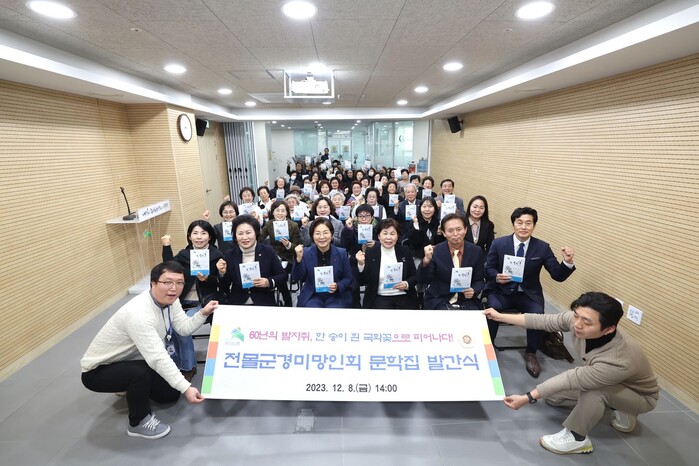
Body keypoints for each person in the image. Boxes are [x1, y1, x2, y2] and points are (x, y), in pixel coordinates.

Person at [483, 292, 658, 455]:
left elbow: (573, 378)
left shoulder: (618, 359)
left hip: (639, 395)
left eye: (587, 322)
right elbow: (542, 321)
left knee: (594, 390)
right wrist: (499, 316)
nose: (577, 325)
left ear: (609, 329)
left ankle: (578, 438)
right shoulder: (578, 320)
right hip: (610, 380)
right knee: (553, 397)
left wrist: (527, 397)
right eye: (576, 315)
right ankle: (613, 405)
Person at [81, 261, 218, 439]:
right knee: (140, 374)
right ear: (153, 283)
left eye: (179, 282)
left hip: (132, 359)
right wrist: (186, 388)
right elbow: (157, 358)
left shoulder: (171, 301)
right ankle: (138, 422)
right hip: (98, 370)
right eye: (167, 282)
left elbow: (183, 328)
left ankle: (128, 384)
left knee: (170, 395)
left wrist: (203, 313)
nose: (174, 288)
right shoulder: (139, 314)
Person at [484, 207, 576, 378]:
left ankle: (531, 352)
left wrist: (567, 262)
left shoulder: (542, 247)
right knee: (492, 309)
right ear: (513, 224)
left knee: (537, 313)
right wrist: (496, 276)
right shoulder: (499, 243)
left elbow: (557, 275)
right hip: (501, 291)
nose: (523, 227)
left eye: (528, 223)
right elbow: (489, 268)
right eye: (519, 222)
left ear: (534, 226)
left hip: (528, 293)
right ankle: (487, 348)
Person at [161, 220, 224, 379]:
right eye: (195, 233)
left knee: (182, 327)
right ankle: (177, 362)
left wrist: (208, 278)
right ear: (189, 236)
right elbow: (167, 269)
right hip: (181, 302)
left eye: (203, 233)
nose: (199, 237)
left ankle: (188, 367)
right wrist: (166, 246)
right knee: (169, 326)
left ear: (210, 236)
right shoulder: (184, 255)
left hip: (205, 302)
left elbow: (223, 283)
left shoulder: (217, 255)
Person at [419, 213, 485, 310]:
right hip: (439, 299)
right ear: (444, 233)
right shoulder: (436, 251)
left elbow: (479, 280)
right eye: (450, 230)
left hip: (467, 300)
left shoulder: (476, 251)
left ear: (465, 229)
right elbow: (423, 279)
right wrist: (426, 261)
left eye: (459, 229)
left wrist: (474, 290)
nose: (455, 234)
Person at [218, 215, 286, 306]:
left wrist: (268, 282)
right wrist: (222, 273)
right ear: (235, 236)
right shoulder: (230, 255)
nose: (244, 237)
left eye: (248, 232)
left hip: (263, 302)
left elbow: (282, 275)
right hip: (238, 303)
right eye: (240, 233)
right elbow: (224, 287)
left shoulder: (268, 251)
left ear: (256, 233)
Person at [292, 218, 354, 308]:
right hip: (312, 294)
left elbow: (348, 278)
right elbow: (296, 277)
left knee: (333, 309)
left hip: (336, 295)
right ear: (312, 236)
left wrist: (338, 286)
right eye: (317, 233)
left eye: (325, 233)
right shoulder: (305, 253)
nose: (322, 237)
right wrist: (298, 259)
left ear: (331, 234)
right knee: (312, 309)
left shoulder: (341, 253)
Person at [356, 219, 418, 309]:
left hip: (403, 296)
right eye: (385, 233)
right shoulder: (371, 252)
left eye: (392, 234)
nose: (388, 237)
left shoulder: (404, 251)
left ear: (397, 236)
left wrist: (407, 284)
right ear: (378, 236)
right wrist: (361, 264)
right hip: (379, 296)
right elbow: (362, 281)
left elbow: (414, 276)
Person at [259, 200, 302, 306]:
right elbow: (259, 239)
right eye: (277, 210)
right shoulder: (269, 224)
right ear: (272, 212)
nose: (280, 213)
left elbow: (298, 246)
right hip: (273, 257)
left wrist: (288, 244)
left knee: (280, 274)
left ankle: (287, 301)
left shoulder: (293, 225)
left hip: (288, 257)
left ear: (287, 212)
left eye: (283, 211)